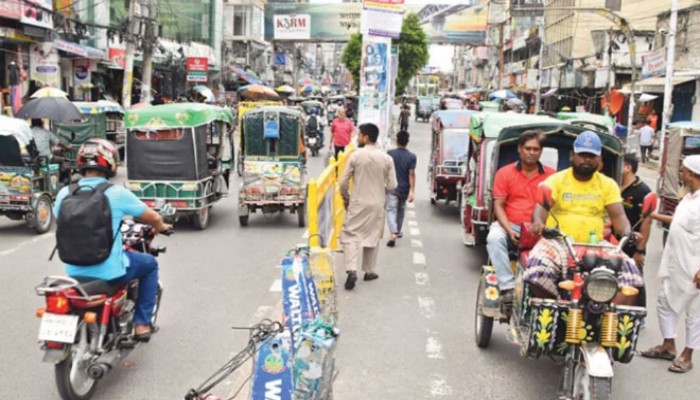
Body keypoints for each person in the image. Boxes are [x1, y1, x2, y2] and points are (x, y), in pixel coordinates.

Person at [53, 139, 172, 341]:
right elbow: (152, 217)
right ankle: (142, 324)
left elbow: (62, 220)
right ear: (110, 163)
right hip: (110, 271)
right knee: (150, 264)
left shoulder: (65, 193)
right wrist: (162, 226)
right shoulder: (116, 193)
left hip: (73, 270)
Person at [525, 131, 644, 300]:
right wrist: (538, 224)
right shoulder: (556, 180)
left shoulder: (608, 184)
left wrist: (627, 233)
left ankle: (610, 319)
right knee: (537, 271)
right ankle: (556, 308)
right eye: (582, 155)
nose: (586, 160)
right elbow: (540, 211)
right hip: (559, 242)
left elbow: (619, 218)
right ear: (572, 155)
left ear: (599, 159)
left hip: (595, 244)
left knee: (632, 276)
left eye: (591, 156)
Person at [640, 155, 700, 373]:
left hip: (695, 268)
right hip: (676, 263)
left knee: (695, 313)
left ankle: (688, 354)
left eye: (683, 170)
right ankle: (668, 345)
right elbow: (678, 223)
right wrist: (653, 216)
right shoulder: (689, 198)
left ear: (692, 174)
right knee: (665, 302)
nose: (680, 173)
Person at [486, 130, 554, 299]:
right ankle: (507, 286)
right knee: (494, 238)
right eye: (528, 148)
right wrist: (509, 230)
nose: (531, 153)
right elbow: (499, 206)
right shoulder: (505, 173)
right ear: (519, 149)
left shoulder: (552, 176)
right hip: (511, 226)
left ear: (541, 152)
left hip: (542, 230)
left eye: (536, 149)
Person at [340, 123, 397, 290]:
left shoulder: (356, 156)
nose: (357, 137)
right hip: (377, 203)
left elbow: (343, 182)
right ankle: (369, 270)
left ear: (366, 137)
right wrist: (381, 191)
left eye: (359, 135)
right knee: (372, 235)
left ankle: (351, 270)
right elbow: (393, 185)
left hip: (358, 201)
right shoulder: (386, 158)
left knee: (351, 235)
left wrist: (346, 197)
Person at [620, 154, 652, 307]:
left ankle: (639, 313)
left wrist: (640, 250)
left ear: (628, 168)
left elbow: (647, 221)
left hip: (632, 242)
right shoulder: (612, 185)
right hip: (613, 241)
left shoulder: (642, 190)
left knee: (635, 277)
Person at [386, 130, 417, 247]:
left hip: (392, 187)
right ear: (407, 142)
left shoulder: (390, 153)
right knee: (400, 210)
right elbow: (411, 174)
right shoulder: (412, 157)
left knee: (391, 210)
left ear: (397, 140)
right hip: (404, 189)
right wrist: (412, 191)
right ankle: (396, 231)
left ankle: (393, 232)